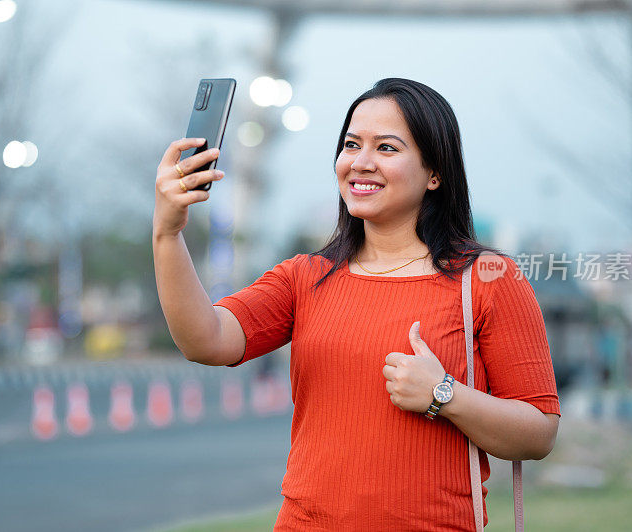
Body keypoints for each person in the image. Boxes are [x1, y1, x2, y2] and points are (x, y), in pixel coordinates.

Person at [153, 78, 560, 531]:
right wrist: (167, 234)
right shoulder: (303, 277)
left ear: (434, 173)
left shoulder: (487, 279)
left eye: (386, 148)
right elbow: (205, 340)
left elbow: (539, 432)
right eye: (351, 144)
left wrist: (445, 395)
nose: (360, 163)